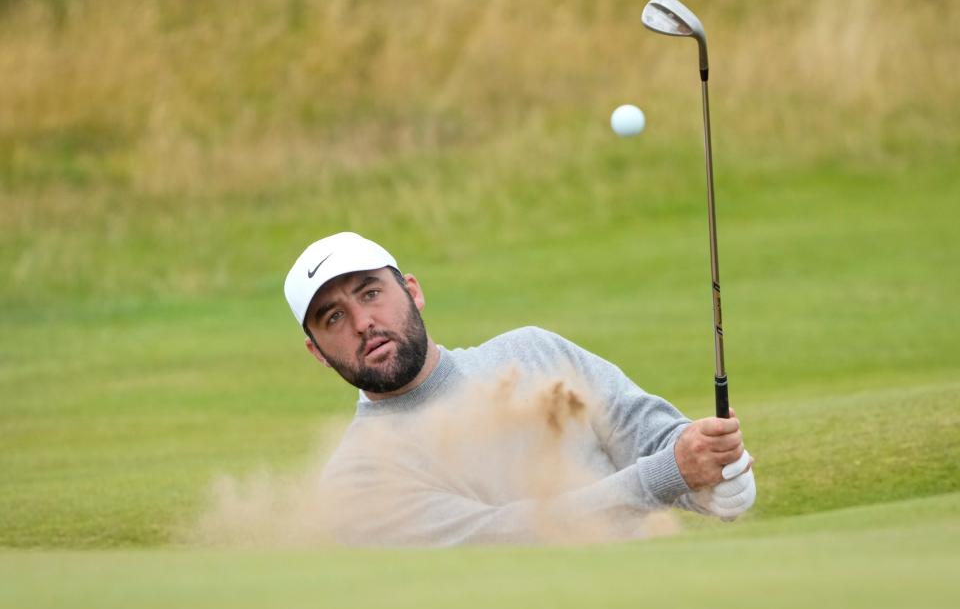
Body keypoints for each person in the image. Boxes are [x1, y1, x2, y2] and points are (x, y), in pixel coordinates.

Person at [284, 232, 756, 546]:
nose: (364, 323)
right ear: (317, 352)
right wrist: (671, 475)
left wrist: (715, 472)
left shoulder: (533, 351)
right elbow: (511, 536)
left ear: (413, 291)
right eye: (334, 317)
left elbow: (650, 437)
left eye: (370, 293)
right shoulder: (358, 479)